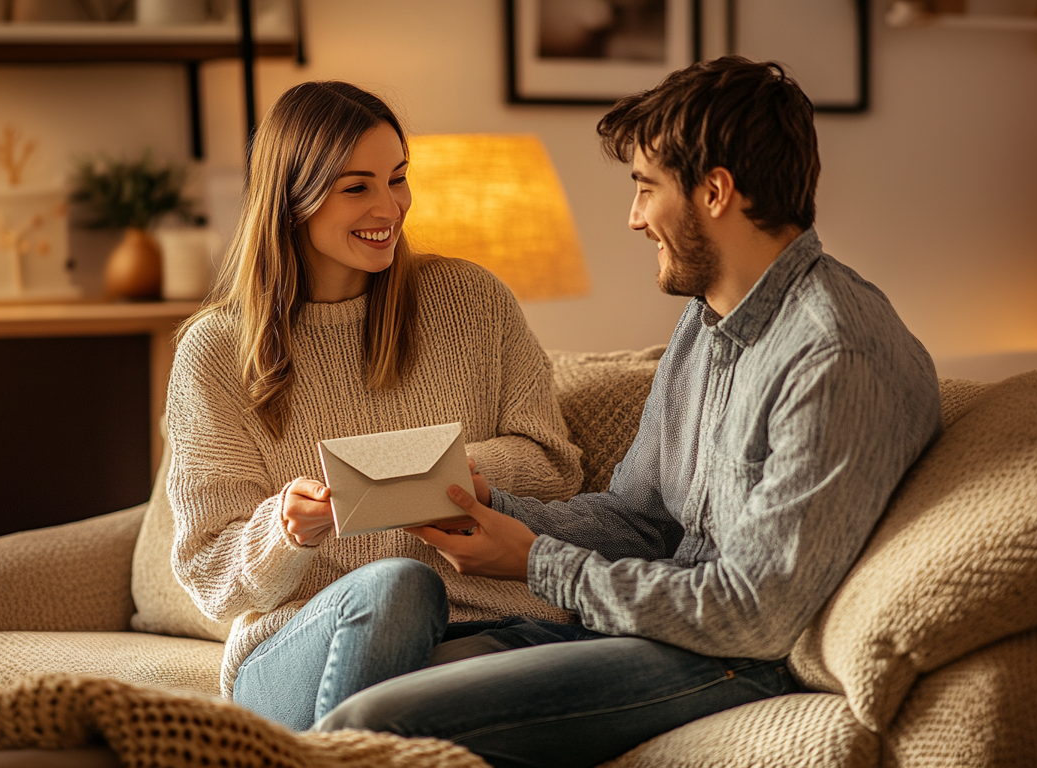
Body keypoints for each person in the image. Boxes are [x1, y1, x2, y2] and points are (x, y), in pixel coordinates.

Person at [314, 57, 944, 767]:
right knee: (376, 678)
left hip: (732, 659)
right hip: (646, 627)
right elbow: (641, 518)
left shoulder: (833, 355)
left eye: (646, 189)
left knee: (372, 721)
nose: (634, 217)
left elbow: (757, 614)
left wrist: (536, 561)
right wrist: (502, 508)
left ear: (715, 191)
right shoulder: (708, 320)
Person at [164, 80, 584, 732]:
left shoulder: (472, 300)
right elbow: (207, 571)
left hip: (484, 628)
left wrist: (456, 471)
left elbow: (556, 466)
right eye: (357, 187)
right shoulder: (216, 352)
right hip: (304, 643)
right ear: (293, 200)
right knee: (396, 587)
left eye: (399, 178)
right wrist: (286, 531)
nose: (391, 206)